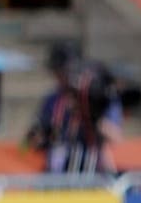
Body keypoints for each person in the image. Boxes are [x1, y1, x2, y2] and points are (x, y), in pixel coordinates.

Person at [25, 42, 121, 177]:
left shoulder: (99, 97)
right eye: (56, 71)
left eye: (63, 71)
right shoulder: (52, 100)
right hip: (58, 174)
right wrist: (39, 137)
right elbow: (33, 140)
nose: (59, 77)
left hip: (92, 173)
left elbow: (114, 137)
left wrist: (88, 115)